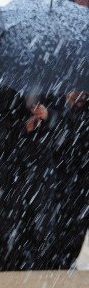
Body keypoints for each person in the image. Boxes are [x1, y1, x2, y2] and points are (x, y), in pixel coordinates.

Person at [0, 87, 60, 271]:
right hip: (10, 181)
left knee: (38, 238)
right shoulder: (2, 96)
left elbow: (65, 132)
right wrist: (22, 129)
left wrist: (48, 116)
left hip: (40, 182)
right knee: (6, 239)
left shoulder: (54, 97)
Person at [50, 90, 89, 268]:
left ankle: (66, 262)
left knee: (76, 230)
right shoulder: (57, 106)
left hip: (81, 184)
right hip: (56, 180)